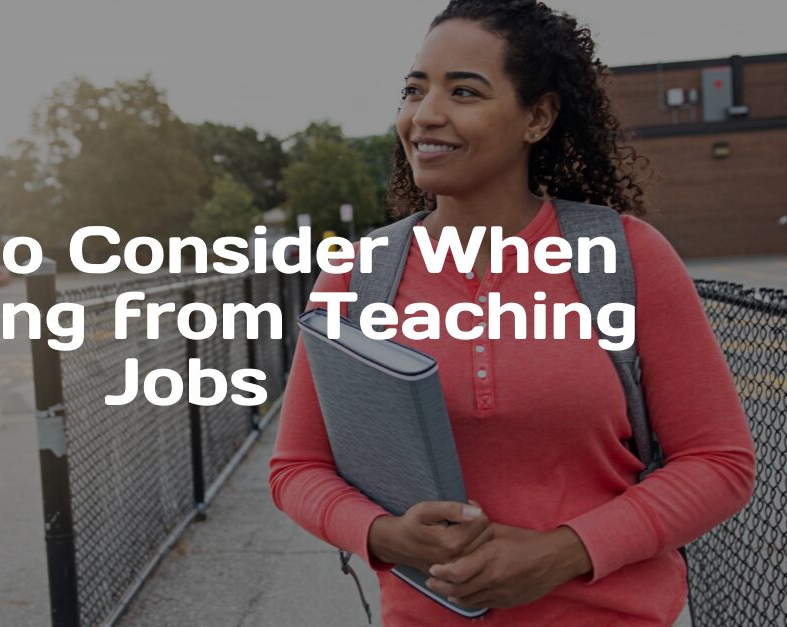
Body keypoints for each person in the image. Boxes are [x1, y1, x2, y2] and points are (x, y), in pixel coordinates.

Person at [267, 1, 756, 624]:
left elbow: (720, 463)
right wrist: (385, 536)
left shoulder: (628, 257)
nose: (425, 115)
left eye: (464, 91)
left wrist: (567, 552)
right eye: (413, 91)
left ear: (538, 117)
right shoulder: (358, 273)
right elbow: (296, 468)